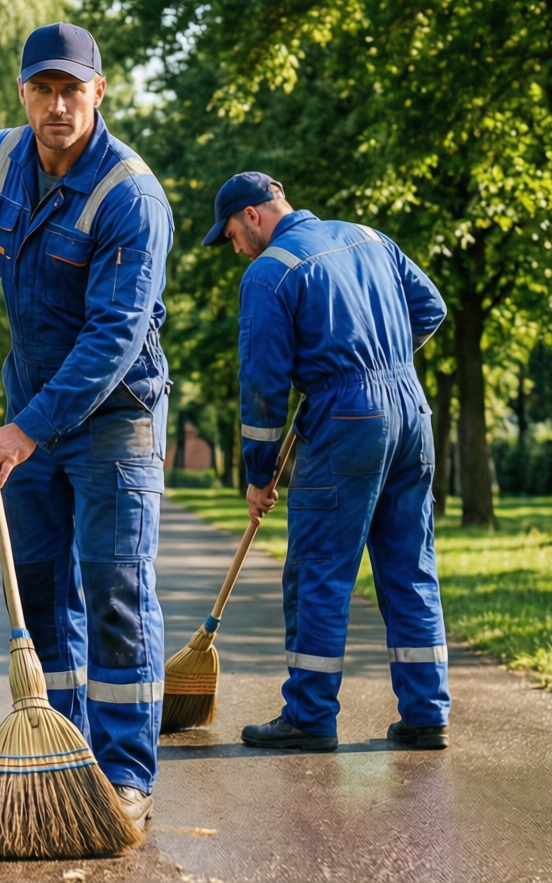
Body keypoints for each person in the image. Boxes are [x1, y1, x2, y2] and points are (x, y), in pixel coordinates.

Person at [0, 22, 173, 828]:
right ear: (23, 92)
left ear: (99, 92)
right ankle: (57, 761)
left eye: (72, 90)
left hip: (114, 417)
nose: (57, 106)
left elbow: (112, 338)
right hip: (29, 406)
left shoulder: (130, 196)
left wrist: (24, 431)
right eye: (42, 89)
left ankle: (124, 775)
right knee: (37, 589)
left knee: (115, 589)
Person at [204, 172, 452, 752]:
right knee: (410, 566)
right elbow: (431, 307)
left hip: (346, 421)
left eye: (232, 234)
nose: (235, 249)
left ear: (253, 215)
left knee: (318, 569)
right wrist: (381, 357)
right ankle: (426, 714)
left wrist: (259, 474)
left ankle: (310, 716)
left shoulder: (269, 273)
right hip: (410, 409)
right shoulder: (370, 236)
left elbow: (262, 386)